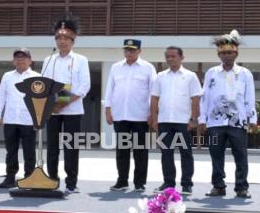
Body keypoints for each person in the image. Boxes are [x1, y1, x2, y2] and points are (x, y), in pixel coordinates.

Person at [199, 30, 257, 198]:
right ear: (219, 54)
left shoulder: (245, 74)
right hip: (215, 122)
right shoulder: (211, 73)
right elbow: (205, 98)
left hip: (237, 122)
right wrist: (203, 119)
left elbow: (249, 97)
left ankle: (241, 187)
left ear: (236, 53)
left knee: (241, 155)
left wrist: (252, 118)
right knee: (216, 155)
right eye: (223, 53)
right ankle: (218, 186)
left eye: (229, 52)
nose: (226, 56)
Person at [41, 15, 91, 194]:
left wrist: (62, 102)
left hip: (73, 110)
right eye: (59, 38)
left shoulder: (81, 60)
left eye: (66, 38)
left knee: (71, 147)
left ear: (73, 40)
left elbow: (84, 86)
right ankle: (52, 180)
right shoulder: (49, 60)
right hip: (52, 111)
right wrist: (51, 104)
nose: (62, 41)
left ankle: (71, 183)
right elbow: (44, 84)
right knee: (52, 147)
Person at [104, 39, 156, 192]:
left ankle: (139, 183)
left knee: (140, 151)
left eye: (133, 50)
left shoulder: (148, 67)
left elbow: (153, 92)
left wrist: (152, 114)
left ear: (139, 51)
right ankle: (122, 181)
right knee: (122, 150)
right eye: (127, 49)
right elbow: (110, 90)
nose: (129, 52)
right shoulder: (116, 67)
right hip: (120, 115)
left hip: (140, 116)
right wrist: (108, 110)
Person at [150, 46, 202, 195]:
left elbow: (195, 99)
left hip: (183, 121)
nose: (170, 59)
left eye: (173, 56)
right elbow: (154, 98)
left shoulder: (191, 76)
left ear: (181, 57)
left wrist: (193, 119)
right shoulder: (160, 76)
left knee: (186, 153)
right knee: (166, 153)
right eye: (167, 56)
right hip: (165, 120)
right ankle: (168, 183)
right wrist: (154, 118)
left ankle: (186, 184)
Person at [0, 48, 40, 189]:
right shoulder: (7, 76)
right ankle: (10, 178)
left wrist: (39, 119)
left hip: (28, 120)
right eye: (17, 57)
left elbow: (39, 100)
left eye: (24, 57)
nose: (20, 59)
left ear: (30, 60)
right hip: (10, 120)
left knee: (29, 151)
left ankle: (29, 177)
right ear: (13, 61)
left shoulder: (36, 76)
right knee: (11, 151)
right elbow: (1, 97)